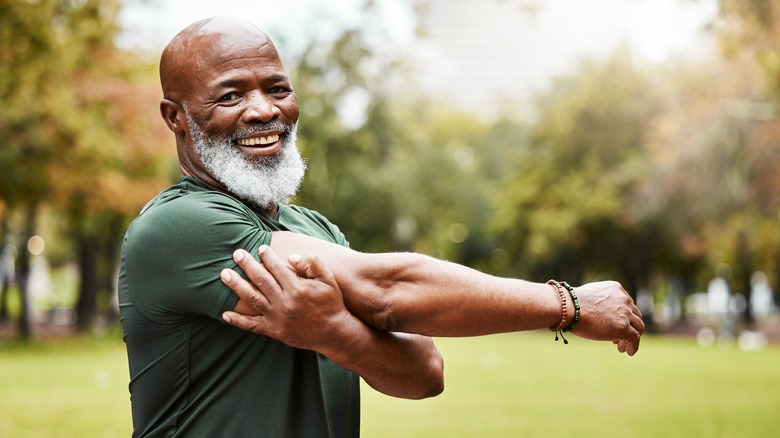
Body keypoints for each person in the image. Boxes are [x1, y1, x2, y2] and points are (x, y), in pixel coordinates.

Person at [118, 16, 644, 438]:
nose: (263, 110)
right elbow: (386, 288)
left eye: (276, 88)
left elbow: (425, 373)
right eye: (230, 95)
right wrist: (567, 305)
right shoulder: (178, 226)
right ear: (176, 116)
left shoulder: (316, 229)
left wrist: (337, 333)